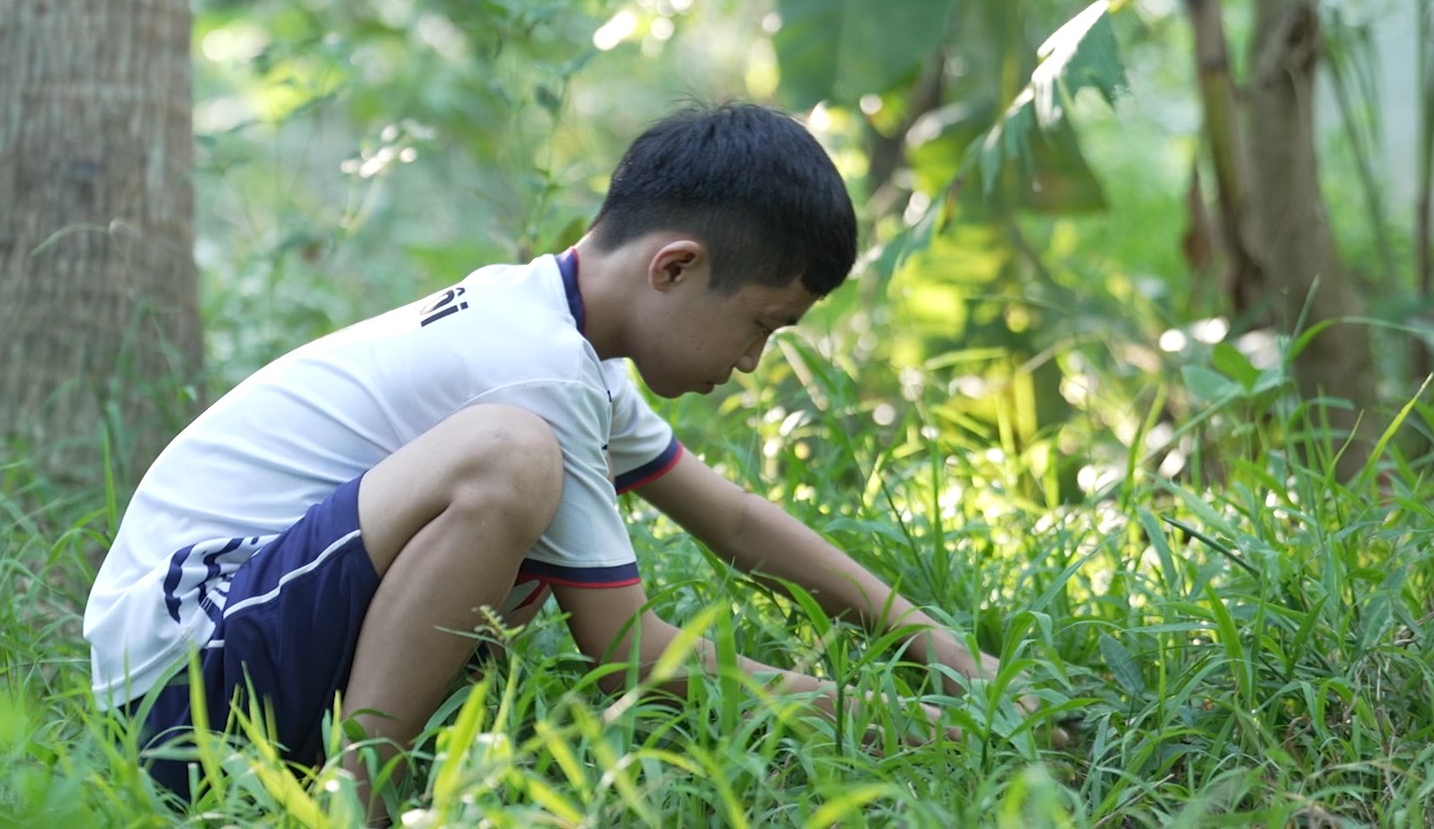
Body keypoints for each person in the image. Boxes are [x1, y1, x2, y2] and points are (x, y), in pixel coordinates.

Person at [83, 100, 1015, 806]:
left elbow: (732, 519)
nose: (751, 362)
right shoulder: (533, 368)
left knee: (517, 459)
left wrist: (945, 655)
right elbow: (631, 656)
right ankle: (353, 806)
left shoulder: (560, 336)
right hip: (184, 698)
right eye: (762, 325)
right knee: (510, 459)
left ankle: (354, 787)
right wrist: (910, 725)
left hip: (234, 659)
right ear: (676, 267)